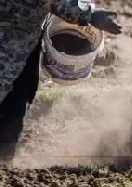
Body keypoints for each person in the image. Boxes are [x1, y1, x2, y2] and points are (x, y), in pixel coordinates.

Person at [0, 0, 123, 165]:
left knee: (17, 98)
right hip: (13, 38)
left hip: (20, 30)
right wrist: (90, 14)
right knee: (15, 100)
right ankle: (3, 160)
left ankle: (4, 164)